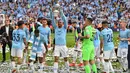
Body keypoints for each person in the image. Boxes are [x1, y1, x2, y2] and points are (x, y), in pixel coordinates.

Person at [50, 7, 69, 73]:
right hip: (57, 46)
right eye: (58, 22)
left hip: (63, 46)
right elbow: (52, 20)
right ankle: (55, 71)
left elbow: (65, 19)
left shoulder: (64, 28)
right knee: (56, 58)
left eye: (61, 22)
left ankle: (67, 69)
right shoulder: (55, 28)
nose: (59, 23)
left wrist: (61, 12)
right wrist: (52, 12)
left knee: (65, 58)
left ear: (62, 23)